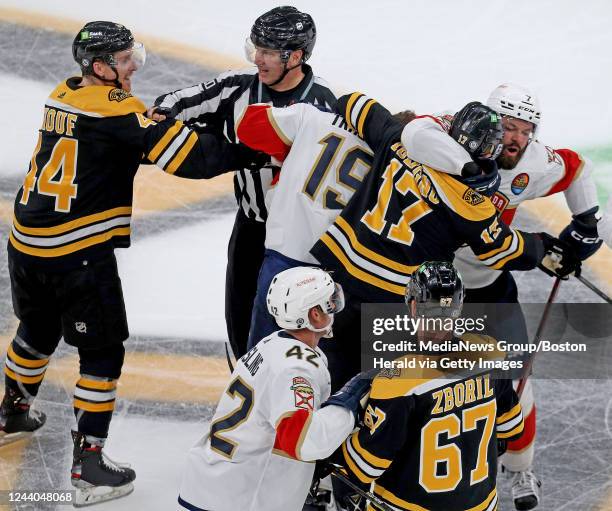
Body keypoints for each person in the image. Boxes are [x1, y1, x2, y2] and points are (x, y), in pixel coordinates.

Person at [0, 21, 264, 507]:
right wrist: (253, 150)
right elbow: (191, 160)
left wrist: (157, 126)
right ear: (100, 67)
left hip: (26, 243)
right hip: (75, 254)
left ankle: (11, 412)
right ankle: (89, 465)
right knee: (103, 354)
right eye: (124, 61)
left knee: (36, 329)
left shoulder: (65, 93)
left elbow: (119, 145)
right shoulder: (118, 111)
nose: (134, 67)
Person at [400, 83, 602, 510]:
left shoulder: (532, 162)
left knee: (512, 384)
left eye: (526, 130)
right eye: (509, 126)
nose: (516, 139)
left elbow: (576, 168)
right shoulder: (456, 137)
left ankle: (519, 467)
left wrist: (585, 222)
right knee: (409, 380)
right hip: (429, 288)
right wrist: (468, 168)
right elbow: (415, 133)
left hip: (487, 286)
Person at [308, 93, 580, 391]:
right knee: (380, 391)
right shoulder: (470, 202)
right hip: (394, 296)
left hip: (338, 277)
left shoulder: (397, 138)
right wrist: (542, 247)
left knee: (326, 374)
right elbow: (504, 251)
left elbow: (354, 103)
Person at [150, 6, 337, 360]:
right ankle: (243, 384)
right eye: (256, 49)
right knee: (239, 316)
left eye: (268, 52)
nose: (259, 59)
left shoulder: (324, 103)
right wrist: (161, 114)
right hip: (251, 227)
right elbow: (176, 101)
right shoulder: (238, 86)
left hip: (302, 238)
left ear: (295, 56)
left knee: (300, 322)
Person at [331, 261, 525, 511]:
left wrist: (338, 436)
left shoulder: (398, 380)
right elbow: (511, 429)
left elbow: (364, 466)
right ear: (459, 305)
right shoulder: (491, 354)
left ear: (413, 306)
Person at [177, 267, 371, 511]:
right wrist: (348, 403)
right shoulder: (296, 367)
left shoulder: (271, 344)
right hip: (240, 500)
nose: (336, 305)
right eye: (330, 302)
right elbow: (301, 440)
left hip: (215, 484)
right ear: (315, 315)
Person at [232, 102, 374, 350]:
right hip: (333, 273)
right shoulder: (386, 155)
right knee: (318, 366)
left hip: (283, 257)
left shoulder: (312, 117)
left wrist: (287, 151)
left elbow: (247, 125)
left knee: (264, 356)